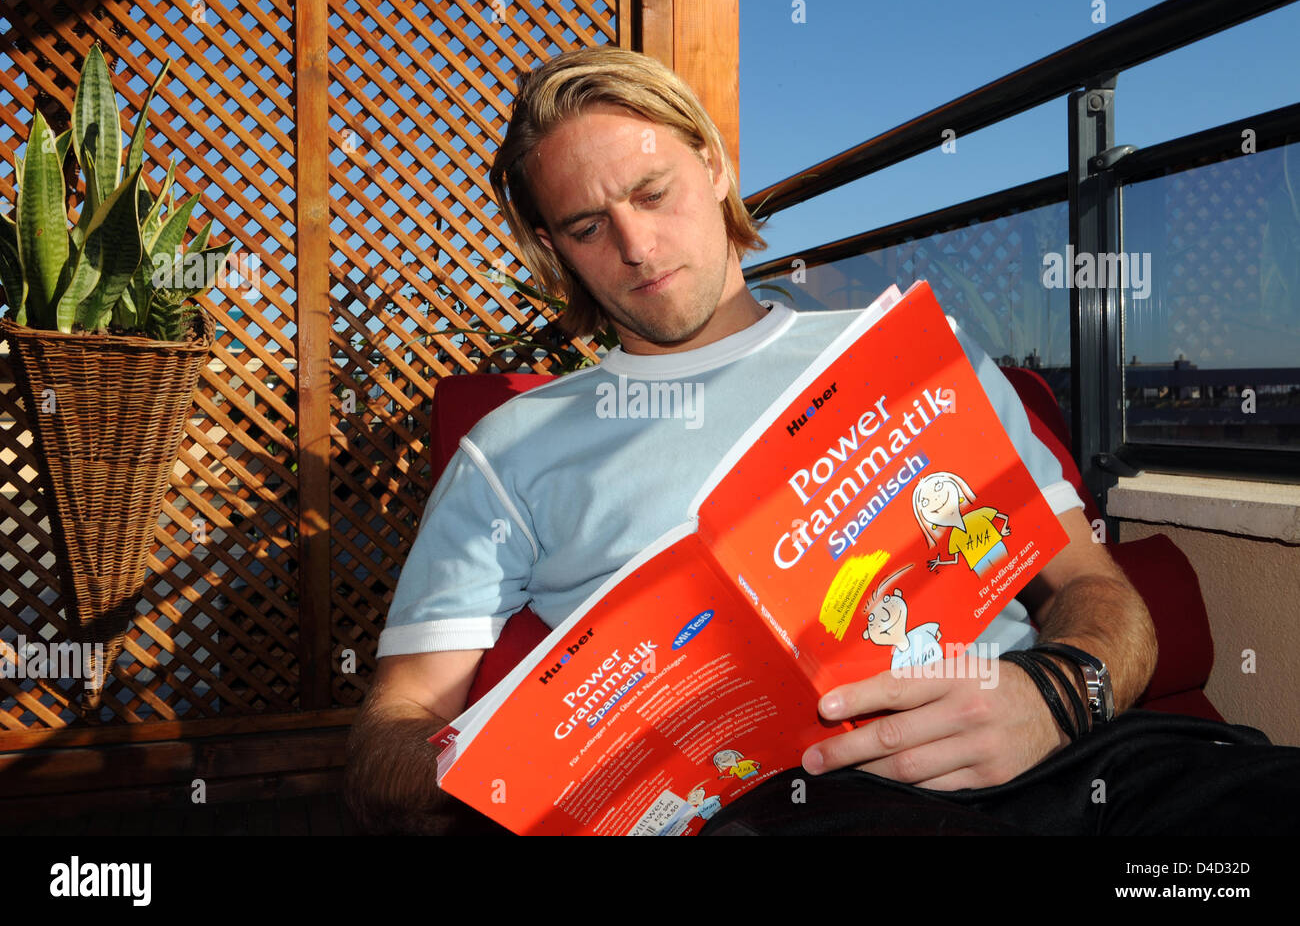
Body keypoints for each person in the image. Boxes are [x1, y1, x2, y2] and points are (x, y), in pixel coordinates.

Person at [345, 45, 1298, 836]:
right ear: (552, 250)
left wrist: (1053, 697)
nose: (635, 247)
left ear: (713, 168)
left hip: (1074, 761)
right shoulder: (513, 446)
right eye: (590, 226)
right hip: (795, 807)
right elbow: (391, 732)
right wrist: (531, 775)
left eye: (653, 190)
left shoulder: (907, 351)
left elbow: (1100, 593)